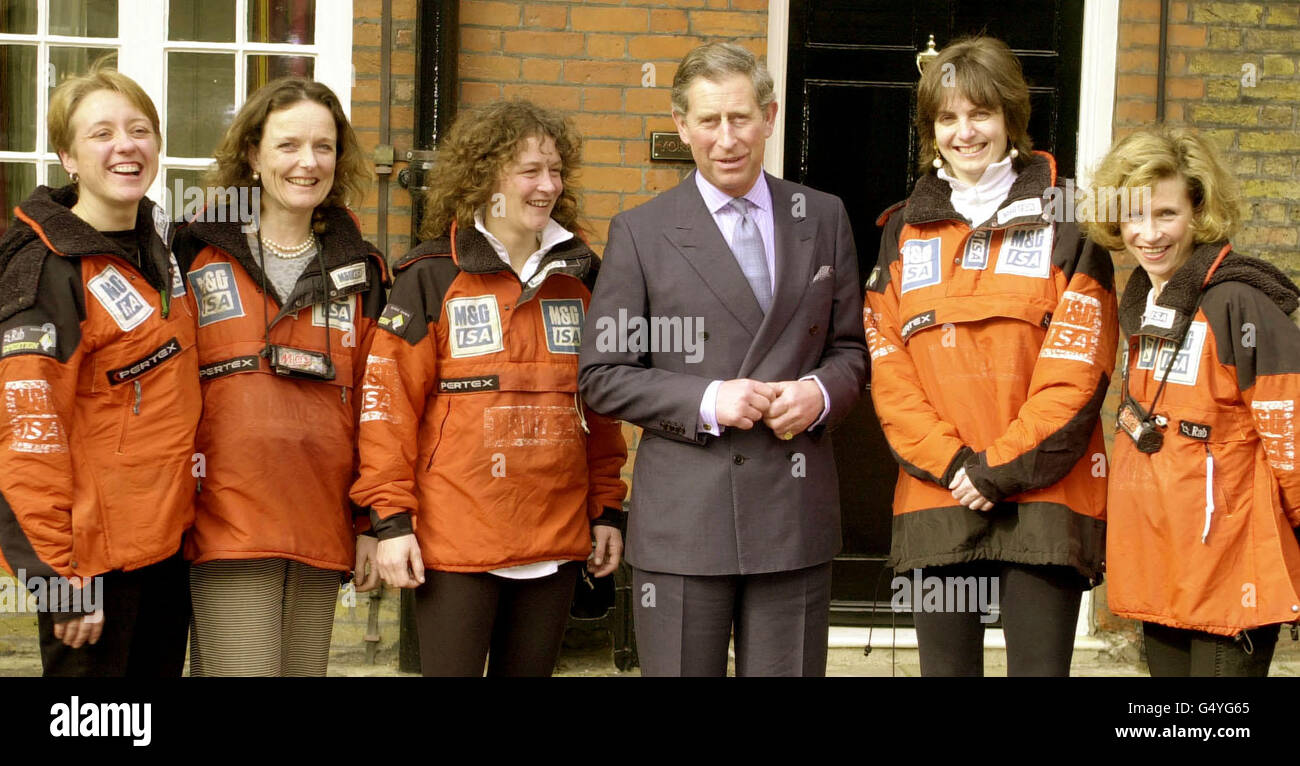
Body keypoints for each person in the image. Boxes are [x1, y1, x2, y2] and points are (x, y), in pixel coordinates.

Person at [578, 42, 867, 677]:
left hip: (792, 518)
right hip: (687, 522)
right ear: (682, 125)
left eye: (740, 118)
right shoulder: (642, 231)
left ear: (769, 115)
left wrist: (819, 393)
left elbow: (852, 350)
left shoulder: (821, 215)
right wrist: (709, 400)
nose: (727, 139)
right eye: (708, 121)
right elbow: (601, 375)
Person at [863, 36, 1117, 676]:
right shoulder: (901, 229)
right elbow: (888, 366)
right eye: (947, 117)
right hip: (936, 492)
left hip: (1045, 498)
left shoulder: (1070, 224)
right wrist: (953, 464)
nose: (964, 131)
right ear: (931, 129)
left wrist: (994, 472)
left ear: (1010, 118)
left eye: (980, 114)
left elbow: (1077, 374)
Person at [350, 99, 628, 677]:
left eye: (555, 171)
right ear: (485, 177)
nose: (546, 185)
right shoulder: (431, 275)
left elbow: (601, 407)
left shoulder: (582, 276)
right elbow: (386, 411)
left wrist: (606, 510)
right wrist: (392, 523)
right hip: (455, 541)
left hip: (555, 536)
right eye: (529, 171)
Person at [172, 77, 387, 676]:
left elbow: (379, 407)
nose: (307, 162)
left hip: (320, 521)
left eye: (324, 147)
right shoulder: (191, 251)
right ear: (253, 153)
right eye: (288, 145)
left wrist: (372, 521)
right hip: (224, 518)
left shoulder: (363, 269)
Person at [0, 67, 197, 676]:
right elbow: (25, 440)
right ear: (68, 158)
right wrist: (55, 580)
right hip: (88, 567)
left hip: (165, 553)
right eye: (101, 133)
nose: (126, 146)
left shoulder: (163, 249)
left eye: (140, 130)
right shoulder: (45, 273)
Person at [1088, 127, 1300, 677]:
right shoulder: (1142, 299)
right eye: (1133, 216)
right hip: (1162, 560)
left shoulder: (1240, 302)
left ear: (1198, 213)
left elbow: (1291, 433)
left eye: (1166, 214)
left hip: (1230, 571)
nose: (1147, 234)